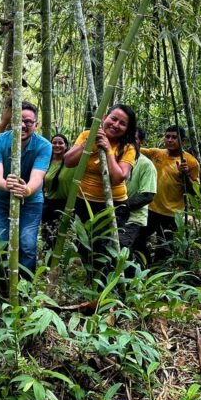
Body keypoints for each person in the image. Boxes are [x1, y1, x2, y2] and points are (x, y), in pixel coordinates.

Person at [64, 104, 137, 274]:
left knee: (105, 247)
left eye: (122, 123)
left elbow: (118, 177)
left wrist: (108, 150)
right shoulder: (87, 135)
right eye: (113, 119)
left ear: (127, 129)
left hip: (113, 205)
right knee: (84, 245)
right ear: (104, 118)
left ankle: (109, 282)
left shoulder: (128, 147)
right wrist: (88, 144)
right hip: (84, 202)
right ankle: (92, 280)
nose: (116, 125)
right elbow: (68, 161)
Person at [0, 101, 52, 280]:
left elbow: (37, 177)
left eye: (28, 122)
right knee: (1, 242)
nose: (23, 125)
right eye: (19, 120)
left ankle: (25, 285)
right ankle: (1, 282)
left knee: (27, 243)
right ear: (12, 121)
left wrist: (26, 190)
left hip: (31, 201)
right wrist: (7, 184)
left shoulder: (44, 146)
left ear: (36, 124)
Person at [135, 125, 200, 263]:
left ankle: (156, 272)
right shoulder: (156, 153)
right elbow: (135, 148)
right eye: (167, 136)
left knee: (164, 249)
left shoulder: (191, 162)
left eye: (174, 137)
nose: (170, 140)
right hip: (150, 209)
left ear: (183, 141)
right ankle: (145, 266)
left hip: (171, 214)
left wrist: (185, 175)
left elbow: (195, 191)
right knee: (136, 240)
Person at [121, 128, 157, 260]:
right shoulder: (117, 159)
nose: (129, 142)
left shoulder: (146, 165)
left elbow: (147, 195)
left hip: (134, 218)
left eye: (133, 139)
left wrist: (122, 206)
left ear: (141, 142)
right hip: (116, 216)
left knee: (122, 247)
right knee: (135, 248)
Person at [41, 133, 74, 245]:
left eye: (60, 143)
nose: (57, 145)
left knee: (64, 237)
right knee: (48, 236)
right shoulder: (46, 161)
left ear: (66, 146)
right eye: (54, 143)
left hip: (67, 205)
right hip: (48, 204)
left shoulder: (72, 162)